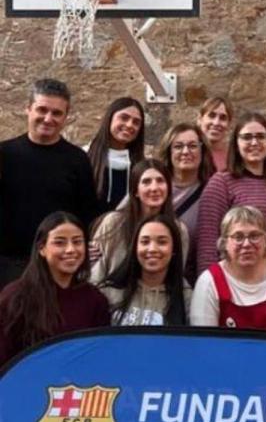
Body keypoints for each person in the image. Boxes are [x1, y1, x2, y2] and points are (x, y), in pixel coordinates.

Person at [0, 79, 98, 287]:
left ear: (66, 117)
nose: (48, 118)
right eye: (42, 110)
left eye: (56, 113)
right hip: (9, 266)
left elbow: (87, 214)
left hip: (58, 266)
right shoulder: (5, 154)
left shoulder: (77, 160)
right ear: (28, 109)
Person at [0, 212, 109, 366]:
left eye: (77, 242)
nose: (71, 250)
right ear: (42, 248)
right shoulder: (15, 297)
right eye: (60, 243)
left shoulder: (95, 300)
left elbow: (100, 358)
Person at [190, 206, 266, 336]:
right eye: (238, 237)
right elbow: (205, 339)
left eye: (254, 236)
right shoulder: (209, 281)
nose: (247, 244)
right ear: (224, 243)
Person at [196, 112, 266, 274]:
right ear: (236, 143)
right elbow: (207, 245)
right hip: (234, 280)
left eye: (261, 136)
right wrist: (211, 286)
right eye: (247, 137)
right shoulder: (221, 183)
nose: (254, 142)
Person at [90, 159, 190, 285]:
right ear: (135, 191)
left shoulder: (179, 230)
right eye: (146, 182)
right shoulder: (113, 223)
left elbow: (176, 276)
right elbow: (94, 273)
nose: (154, 188)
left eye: (160, 181)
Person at [99, 214, 190, 326]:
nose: (152, 249)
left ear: (174, 249)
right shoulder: (108, 292)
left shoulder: (186, 297)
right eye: (145, 242)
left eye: (162, 242)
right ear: (135, 248)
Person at [157, 122, 216, 283]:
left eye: (192, 146)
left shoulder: (214, 190)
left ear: (202, 151)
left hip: (190, 281)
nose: (185, 151)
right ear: (169, 151)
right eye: (178, 146)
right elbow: (121, 218)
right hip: (151, 276)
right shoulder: (154, 185)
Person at [85, 97, 145, 213]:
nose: (129, 125)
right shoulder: (84, 158)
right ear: (110, 118)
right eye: (124, 118)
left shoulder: (141, 167)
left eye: (136, 122)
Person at [197, 97, 234, 171]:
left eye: (223, 118)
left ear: (229, 124)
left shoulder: (234, 158)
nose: (216, 123)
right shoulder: (188, 154)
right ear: (200, 119)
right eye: (212, 115)